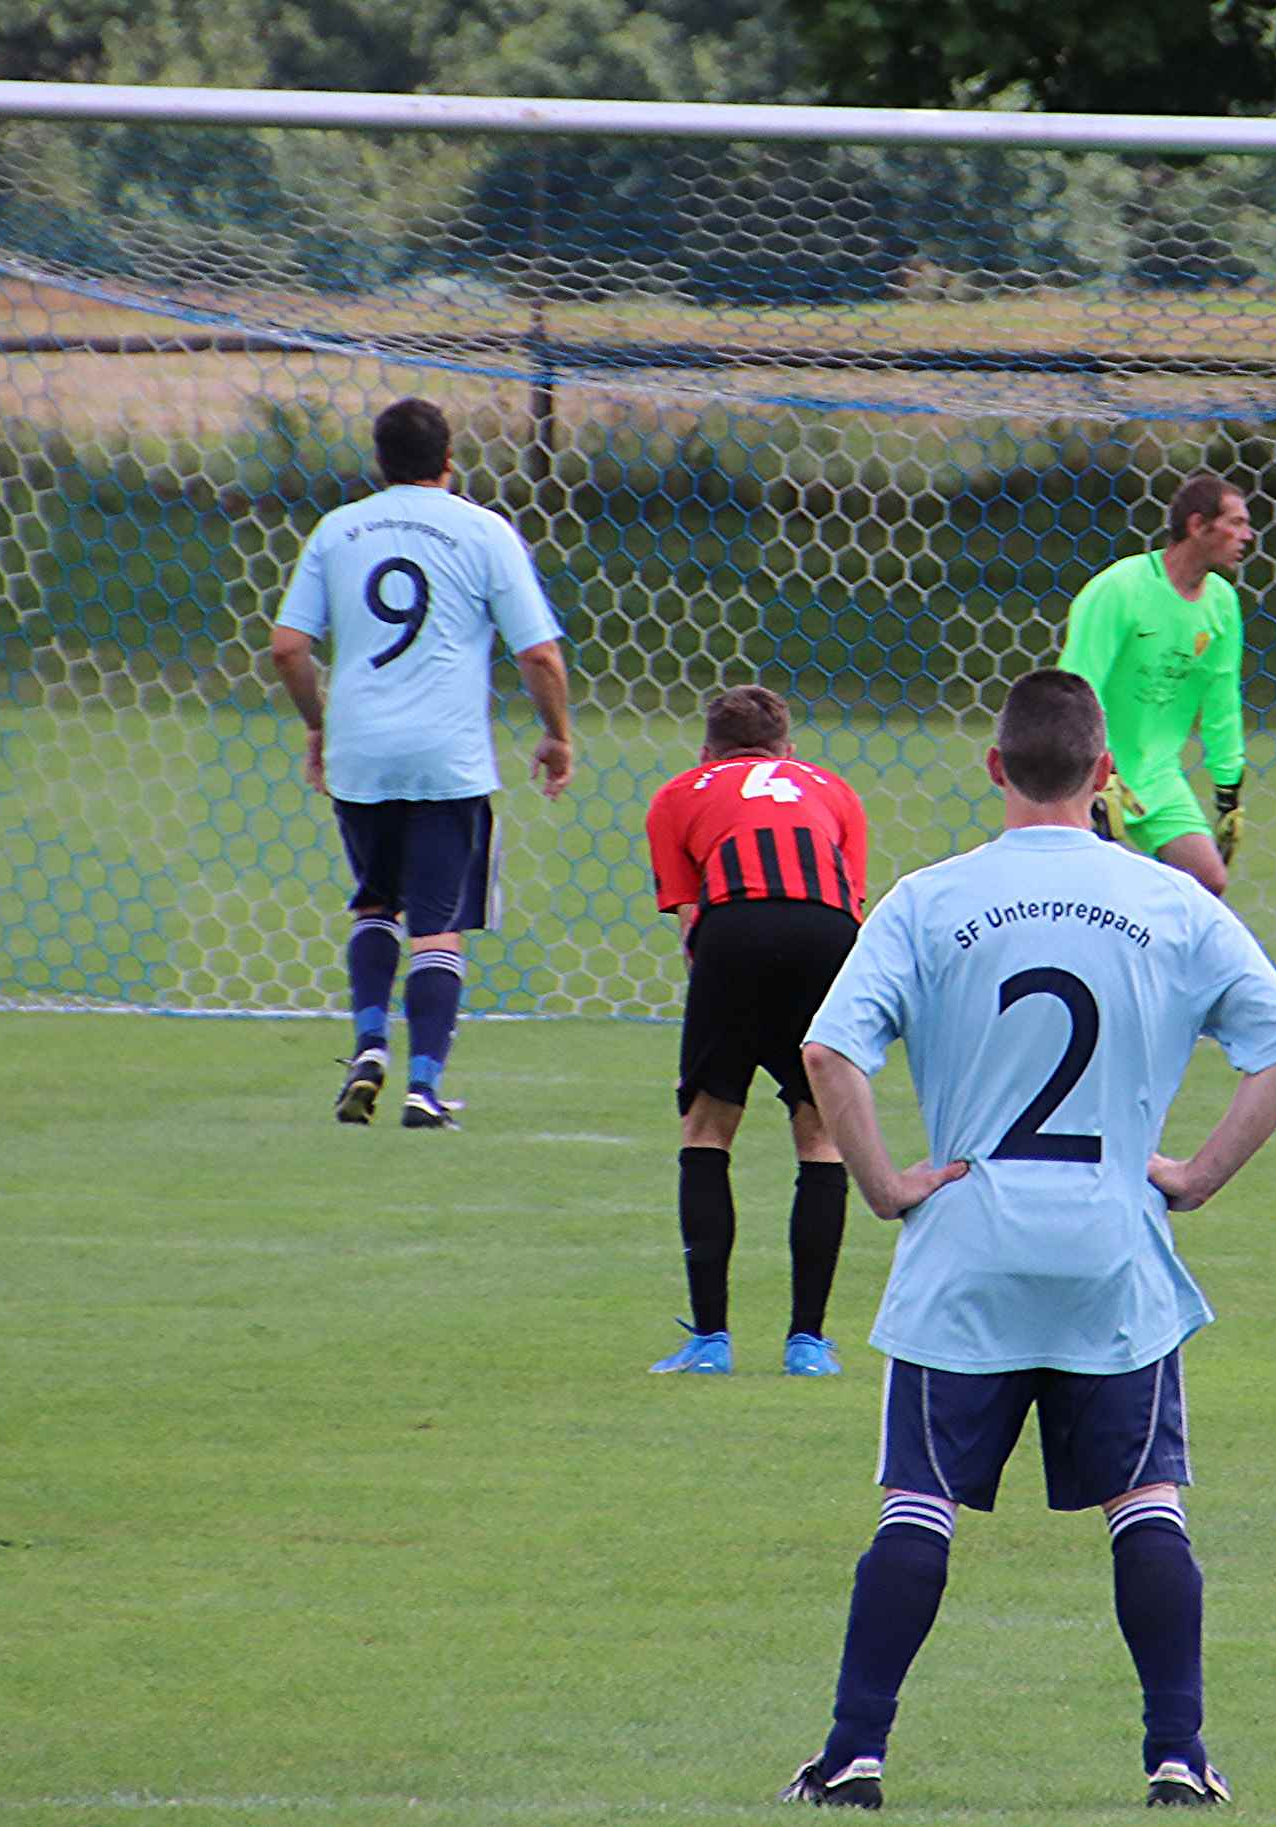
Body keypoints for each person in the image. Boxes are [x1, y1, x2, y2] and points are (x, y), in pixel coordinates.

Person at [778, 669, 1276, 1811]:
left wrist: (883, 1185)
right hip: (1110, 1257)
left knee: (918, 1508)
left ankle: (853, 1754)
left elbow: (828, 1053)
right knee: (1147, 1505)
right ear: (1106, 774)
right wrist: (1196, 1176)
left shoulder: (929, 900)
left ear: (995, 767)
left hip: (966, 1255)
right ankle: (1178, 1755)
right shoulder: (1171, 902)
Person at [268, 397, 571, 1130]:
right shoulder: (484, 531)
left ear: (379, 461)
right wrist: (557, 734)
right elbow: (538, 654)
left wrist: (318, 725)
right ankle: (423, 1087)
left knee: (376, 902)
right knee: (437, 925)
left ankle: (369, 1047)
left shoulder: (338, 530)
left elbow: (287, 647)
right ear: (449, 459)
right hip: (447, 758)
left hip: (361, 751)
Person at [641, 685, 872, 1378]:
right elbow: (848, 900)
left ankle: (711, 1341)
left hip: (734, 928)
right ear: (787, 750)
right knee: (820, 1134)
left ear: (706, 751)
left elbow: (690, 917)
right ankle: (808, 1344)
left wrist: (725, 990)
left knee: (708, 1128)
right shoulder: (834, 789)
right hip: (827, 933)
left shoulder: (678, 792)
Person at [1054, 473, 1252, 897]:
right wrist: (1096, 769)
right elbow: (1075, 686)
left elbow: (1222, 702)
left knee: (1208, 880)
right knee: (1090, 894)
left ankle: (1149, 936)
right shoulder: (1120, 589)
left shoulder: (1221, 603)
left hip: (1157, 776)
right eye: (1235, 523)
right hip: (1090, 773)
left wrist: (1228, 789)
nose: (1247, 536)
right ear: (1197, 525)